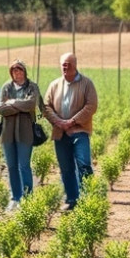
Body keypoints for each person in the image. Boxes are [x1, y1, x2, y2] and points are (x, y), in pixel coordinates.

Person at [43, 52, 98, 211]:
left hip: (80, 131)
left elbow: (91, 105)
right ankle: (72, 199)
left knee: (84, 165)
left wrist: (72, 121)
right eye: (63, 64)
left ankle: (88, 200)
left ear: (75, 65)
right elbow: (46, 107)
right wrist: (59, 122)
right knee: (66, 168)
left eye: (68, 64)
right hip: (60, 132)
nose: (65, 67)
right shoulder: (54, 85)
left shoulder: (87, 83)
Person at [0, 59, 43, 209]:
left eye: (19, 69)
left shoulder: (32, 87)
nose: (17, 72)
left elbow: (31, 104)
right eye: (14, 70)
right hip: (7, 133)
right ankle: (15, 197)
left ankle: (27, 198)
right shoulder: (6, 87)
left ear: (24, 71)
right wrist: (19, 105)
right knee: (11, 166)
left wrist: (12, 103)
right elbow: (0, 108)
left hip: (25, 132)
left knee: (24, 165)